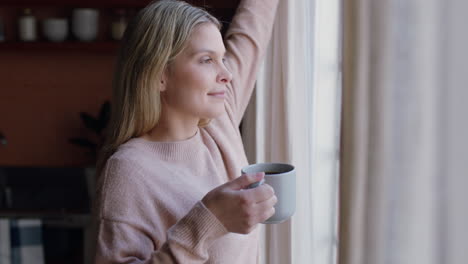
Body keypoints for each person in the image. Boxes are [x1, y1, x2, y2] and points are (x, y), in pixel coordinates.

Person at [93, 0, 279, 263]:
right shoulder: (128, 170)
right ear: (159, 75)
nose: (226, 74)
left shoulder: (219, 122)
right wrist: (207, 223)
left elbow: (251, 33)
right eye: (207, 60)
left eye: (222, 58)